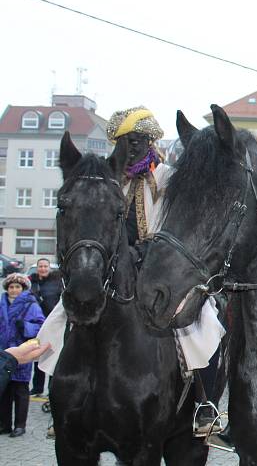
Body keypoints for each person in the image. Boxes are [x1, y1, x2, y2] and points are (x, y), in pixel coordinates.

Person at [36, 107, 225, 436]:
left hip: (163, 269)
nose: (132, 148)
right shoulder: (110, 180)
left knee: (204, 320)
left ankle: (203, 404)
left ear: (152, 142)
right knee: (59, 318)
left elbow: (180, 224)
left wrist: (148, 250)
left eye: (138, 141)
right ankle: (60, 396)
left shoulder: (168, 177)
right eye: (125, 141)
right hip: (113, 269)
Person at [0, 273, 45, 437]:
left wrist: (25, 326)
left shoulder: (31, 305)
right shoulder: (1, 303)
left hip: (22, 353)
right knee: (4, 391)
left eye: (17, 287)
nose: (14, 290)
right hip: (4, 353)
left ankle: (20, 425)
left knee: (20, 391)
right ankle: (4, 424)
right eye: (11, 287)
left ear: (23, 288)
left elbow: (40, 326)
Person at [28, 257, 62, 396]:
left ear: (49, 268)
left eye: (45, 266)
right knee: (37, 357)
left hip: (52, 325)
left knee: (52, 357)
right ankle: (37, 388)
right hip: (36, 325)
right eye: (40, 266)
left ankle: (51, 389)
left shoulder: (56, 283)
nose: (42, 269)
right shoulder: (32, 282)